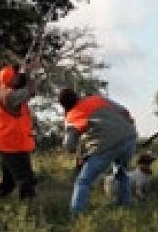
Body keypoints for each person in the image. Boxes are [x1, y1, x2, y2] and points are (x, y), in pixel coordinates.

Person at [58, 87, 138, 216]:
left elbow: (69, 146)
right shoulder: (97, 99)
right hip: (130, 138)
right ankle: (125, 205)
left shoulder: (73, 115)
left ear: (64, 106)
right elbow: (125, 112)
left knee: (83, 181)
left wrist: (67, 122)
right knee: (121, 173)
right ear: (77, 95)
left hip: (106, 145)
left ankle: (76, 215)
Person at [0, 58, 40, 200]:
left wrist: (25, 71)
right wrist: (29, 72)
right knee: (25, 180)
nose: (19, 76)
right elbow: (31, 91)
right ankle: (28, 210)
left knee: (8, 182)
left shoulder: (4, 92)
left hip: (8, 144)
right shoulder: (10, 96)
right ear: (11, 80)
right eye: (16, 75)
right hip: (13, 145)